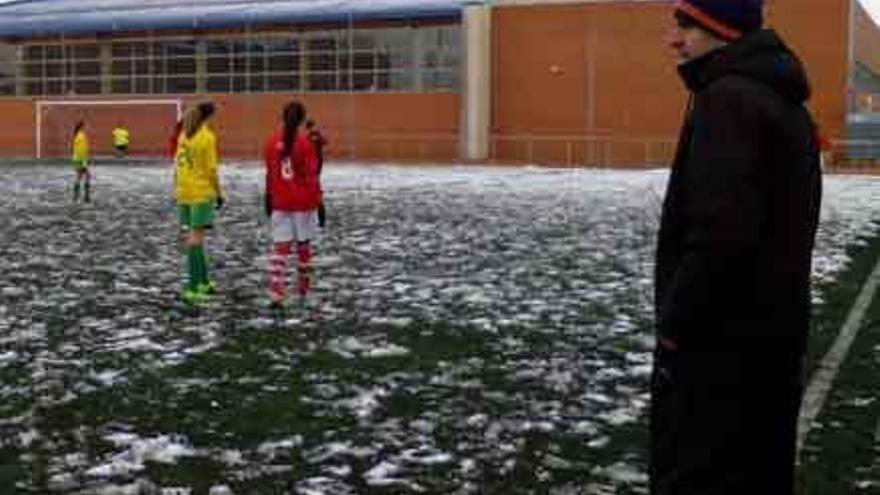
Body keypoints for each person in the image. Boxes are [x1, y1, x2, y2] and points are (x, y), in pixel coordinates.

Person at [651, 1, 822, 493]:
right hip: (768, 343)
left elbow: (719, 236)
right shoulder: (778, 98)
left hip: (720, 353)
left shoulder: (729, 100)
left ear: (720, 28)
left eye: (686, 24)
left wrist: (675, 326)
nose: (674, 38)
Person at [264, 102, 321, 306]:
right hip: (303, 203)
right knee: (303, 246)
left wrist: (268, 197)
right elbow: (311, 176)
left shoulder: (271, 142)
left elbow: (270, 174)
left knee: (280, 248)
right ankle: (303, 290)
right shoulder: (305, 143)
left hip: (280, 201)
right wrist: (319, 203)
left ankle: (276, 292)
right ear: (302, 120)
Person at [174, 102, 224, 305]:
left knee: (196, 237)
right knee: (195, 238)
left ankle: (202, 281)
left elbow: (177, 164)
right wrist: (219, 193)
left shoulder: (184, 134)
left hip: (184, 191)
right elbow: (211, 170)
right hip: (200, 192)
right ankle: (194, 286)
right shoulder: (207, 137)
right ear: (209, 117)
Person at [305, 119, 328, 228]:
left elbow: (325, 142)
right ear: (309, 128)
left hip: (316, 163)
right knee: (314, 186)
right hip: (312, 164)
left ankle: (320, 221)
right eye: (312, 127)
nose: (313, 128)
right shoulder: (307, 137)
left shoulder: (315, 136)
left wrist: (318, 134)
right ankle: (319, 221)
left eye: (314, 126)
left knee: (315, 182)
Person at [70, 121, 91, 203]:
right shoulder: (81, 136)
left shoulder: (77, 135)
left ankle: (76, 196)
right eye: (85, 126)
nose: (86, 128)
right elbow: (81, 150)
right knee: (87, 176)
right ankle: (86, 196)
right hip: (80, 159)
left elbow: (77, 149)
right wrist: (84, 162)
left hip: (77, 158)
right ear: (82, 127)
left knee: (79, 176)